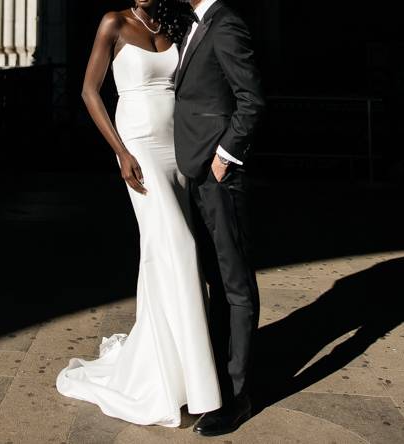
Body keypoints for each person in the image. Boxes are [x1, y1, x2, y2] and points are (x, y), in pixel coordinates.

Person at [55, 0, 223, 429]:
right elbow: (89, 92)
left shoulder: (172, 22)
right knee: (180, 249)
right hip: (139, 147)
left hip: (177, 147)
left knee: (162, 256)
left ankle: (170, 366)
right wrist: (121, 152)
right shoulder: (113, 22)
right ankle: (202, 388)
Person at [174, 0, 265, 436]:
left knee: (236, 285)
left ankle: (238, 396)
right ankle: (215, 386)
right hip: (197, 174)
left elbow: (252, 99)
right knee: (214, 281)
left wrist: (224, 158)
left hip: (219, 176)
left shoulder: (226, 24)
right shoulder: (194, 24)